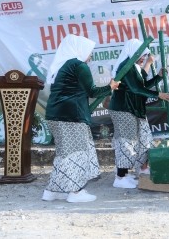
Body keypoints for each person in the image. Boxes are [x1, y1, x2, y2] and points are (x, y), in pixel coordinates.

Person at [43, 34, 120, 203]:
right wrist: (110, 87)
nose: (91, 56)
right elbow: (92, 91)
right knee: (76, 154)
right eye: (90, 52)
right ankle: (76, 192)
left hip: (55, 116)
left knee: (64, 154)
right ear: (80, 50)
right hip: (71, 117)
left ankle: (52, 191)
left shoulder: (63, 66)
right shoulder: (78, 65)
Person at [109, 39, 169, 189]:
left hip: (133, 109)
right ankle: (120, 177)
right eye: (142, 55)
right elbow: (136, 89)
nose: (144, 58)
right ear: (134, 53)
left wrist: (158, 77)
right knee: (126, 142)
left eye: (145, 55)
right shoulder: (126, 67)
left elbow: (141, 86)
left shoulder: (134, 67)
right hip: (123, 109)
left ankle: (138, 169)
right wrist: (159, 94)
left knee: (142, 140)